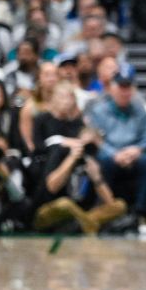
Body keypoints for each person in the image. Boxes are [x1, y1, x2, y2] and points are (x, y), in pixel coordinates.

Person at [31, 82, 125, 234]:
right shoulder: (58, 150)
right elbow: (51, 186)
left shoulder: (87, 152)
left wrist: (97, 178)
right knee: (64, 204)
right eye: (62, 97)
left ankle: (83, 223)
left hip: (79, 211)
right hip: (49, 209)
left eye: (70, 98)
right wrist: (71, 158)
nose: (66, 101)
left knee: (120, 205)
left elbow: (109, 201)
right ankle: (88, 224)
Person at [85, 63, 146, 219]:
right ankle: (106, 209)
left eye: (128, 87)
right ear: (112, 88)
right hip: (109, 153)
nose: (125, 92)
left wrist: (136, 150)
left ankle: (141, 212)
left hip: (133, 153)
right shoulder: (99, 110)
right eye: (121, 87)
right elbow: (96, 139)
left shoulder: (140, 109)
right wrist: (115, 154)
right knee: (103, 160)